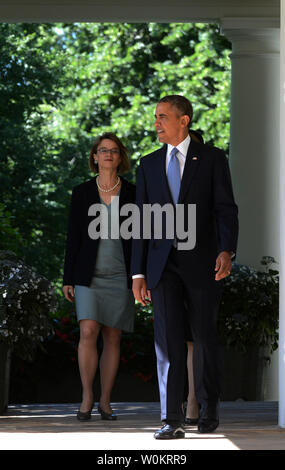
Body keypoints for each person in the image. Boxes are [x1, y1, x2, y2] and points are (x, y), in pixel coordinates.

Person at [131, 95, 238, 439]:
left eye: (163, 117)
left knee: (204, 338)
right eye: (156, 117)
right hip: (163, 267)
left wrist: (226, 250)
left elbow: (225, 208)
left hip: (203, 263)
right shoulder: (147, 165)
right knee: (168, 342)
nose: (156, 124)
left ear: (184, 120)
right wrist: (138, 272)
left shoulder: (211, 159)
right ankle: (170, 418)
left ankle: (209, 409)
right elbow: (142, 222)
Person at [63, 132, 136, 421]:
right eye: (103, 150)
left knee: (113, 336)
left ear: (120, 158)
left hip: (121, 274)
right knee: (88, 331)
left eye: (114, 151)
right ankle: (87, 397)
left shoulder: (133, 193)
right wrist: (67, 277)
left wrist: (141, 276)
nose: (108, 154)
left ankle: (105, 401)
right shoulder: (81, 193)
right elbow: (73, 239)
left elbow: (141, 238)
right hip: (87, 275)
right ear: (95, 157)